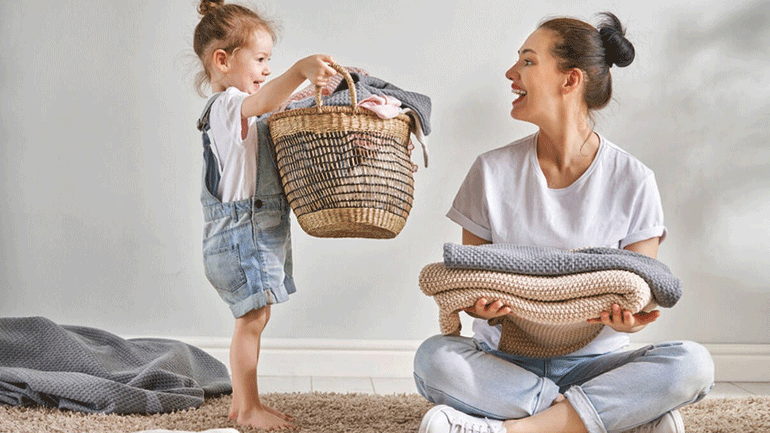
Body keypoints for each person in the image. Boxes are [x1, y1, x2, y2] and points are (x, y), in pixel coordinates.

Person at [413, 12, 714, 433]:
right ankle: (606, 419)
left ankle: (511, 427)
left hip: (595, 364)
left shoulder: (633, 178)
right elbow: (471, 279)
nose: (511, 73)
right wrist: (474, 304)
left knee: (692, 364)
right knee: (434, 359)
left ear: (569, 80)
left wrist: (631, 314)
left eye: (528, 61)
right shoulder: (491, 171)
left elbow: (642, 289)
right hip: (506, 363)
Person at [192, 1, 336, 430]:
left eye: (269, 60)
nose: (267, 69)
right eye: (260, 59)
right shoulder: (226, 106)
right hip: (241, 233)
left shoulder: (243, 108)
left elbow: (272, 108)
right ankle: (250, 406)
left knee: (255, 317)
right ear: (223, 60)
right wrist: (298, 70)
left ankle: (241, 404)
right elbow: (264, 100)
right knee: (251, 320)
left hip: (254, 230)